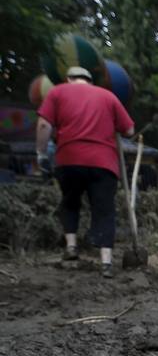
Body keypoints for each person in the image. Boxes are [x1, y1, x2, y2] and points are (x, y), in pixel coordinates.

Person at [35, 65, 136, 277]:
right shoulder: (108, 96)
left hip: (69, 159)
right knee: (104, 210)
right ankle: (106, 262)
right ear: (90, 81)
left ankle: (71, 247)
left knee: (70, 202)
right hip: (104, 163)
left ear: (69, 79)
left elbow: (44, 125)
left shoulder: (58, 92)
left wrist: (41, 154)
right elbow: (129, 130)